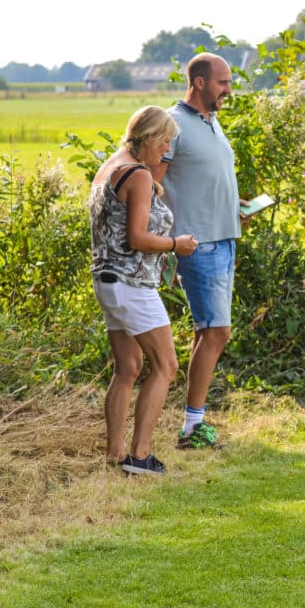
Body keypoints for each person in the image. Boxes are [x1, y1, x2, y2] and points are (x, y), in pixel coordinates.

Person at [89, 106, 199, 475]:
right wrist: (174, 245)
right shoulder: (136, 175)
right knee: (166, 366)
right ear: (149, 138)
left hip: (106, 281)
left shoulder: (110, 167)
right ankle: (140, 455)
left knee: (128, 368)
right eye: (165, 140)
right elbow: (137, 238)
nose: (167, 148)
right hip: (132, 284)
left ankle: (115, 453)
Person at [153, 52, 242, 450]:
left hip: (225, 236)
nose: (228, 89)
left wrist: (234, 208)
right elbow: (153, 183)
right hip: (197, 243)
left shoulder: (212, 122)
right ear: (201, 82)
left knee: (208, 331)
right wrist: (161, 237)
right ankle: (192, 427)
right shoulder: (172, 125)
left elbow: (207, 179)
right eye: (222, 82)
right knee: (218, 331)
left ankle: (194, 420)